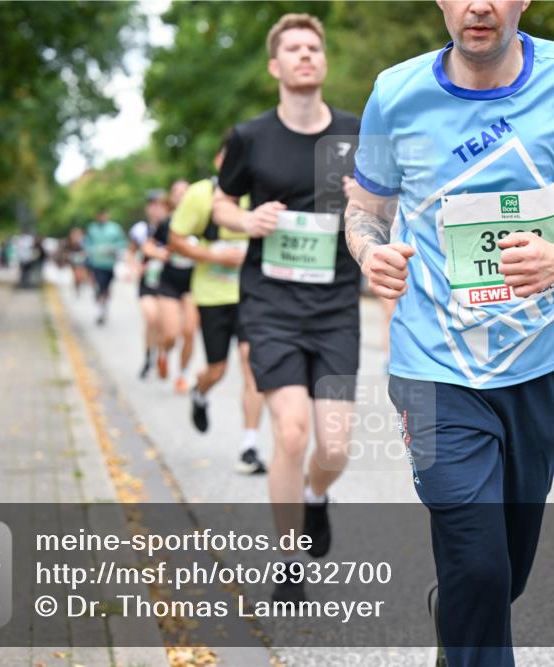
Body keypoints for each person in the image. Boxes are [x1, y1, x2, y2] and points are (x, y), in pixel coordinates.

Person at [344, 2, 554, 665]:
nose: (478, 5)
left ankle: (456, 611)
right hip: (432, 366)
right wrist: (371, 252)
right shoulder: (396, 94)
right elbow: (365, 210)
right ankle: (466, 608)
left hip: (541, 364)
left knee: (502, 573)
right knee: (478, 564)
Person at [213, 13, 361, 604]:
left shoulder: (354, 133)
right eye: (293, 49)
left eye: (313, 48)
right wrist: (247, 219)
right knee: (292, 433)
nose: (305, 55)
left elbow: (390, 208)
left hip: (335, 308)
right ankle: (289, 557)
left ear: (324, 61)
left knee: (335, 446)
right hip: (270, 305)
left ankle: (316, 496)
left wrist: (368, 200)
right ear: (275, 66)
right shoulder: (249, 137)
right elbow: (221, 204)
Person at [169, 134, 267, 475]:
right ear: (218, 161)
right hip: (212, 296)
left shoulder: (261, 190)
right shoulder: (200, 194)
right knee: (217, 370)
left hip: (253, 295)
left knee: (253, 364)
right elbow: (175, 239)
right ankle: (200, 392)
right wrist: (213, 256)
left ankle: (249, 446)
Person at [159, 179, 198, 394]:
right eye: (177, 192)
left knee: (190, 331)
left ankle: (182, 375)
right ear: (171, 197)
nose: (181, 195)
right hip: (169, 283)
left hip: (193, 284)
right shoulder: (166, 223)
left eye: (185, 191)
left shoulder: (200, 222)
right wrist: (161, 253)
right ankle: (163, 354)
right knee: (171, 334)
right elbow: (149, 246)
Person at [128, 190, 173, 379]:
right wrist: (135, 267)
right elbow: (130, 252)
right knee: (151, 318)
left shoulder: (173, 227)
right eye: (153, 205)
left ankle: (161, 354)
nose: (156, 209)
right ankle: (149, 356)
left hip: (168, 282)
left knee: (164, 324)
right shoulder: (141, 229)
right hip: (147, 282)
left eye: (160, 205)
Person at [84, 208, 127, 325]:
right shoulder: (92, 228)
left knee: (106, 287)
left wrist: (113, 248)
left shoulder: (115, 228)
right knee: (99, 285)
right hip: (96, 263)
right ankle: (100, 309)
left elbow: (122, 242)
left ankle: (104, 306)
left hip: (110, 264)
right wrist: (91, 250)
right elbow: (86, 243)